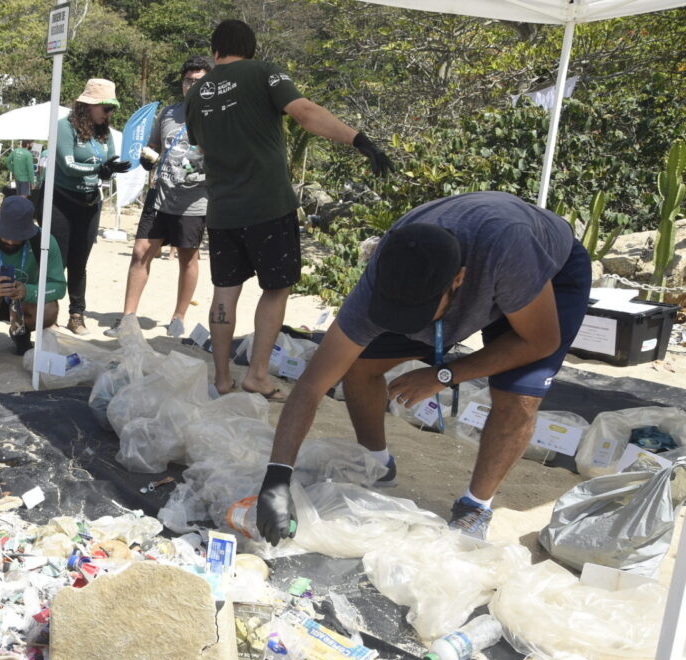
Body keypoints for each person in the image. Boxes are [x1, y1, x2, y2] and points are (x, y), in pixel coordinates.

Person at [253, 191, 591, 544]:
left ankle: (475, 506)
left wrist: (443, 374)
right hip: (461, 280)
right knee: (358, 363)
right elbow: (311, 384)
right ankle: (377, 462)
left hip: (545, 275)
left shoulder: (509, 250)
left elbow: (540, 341)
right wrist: (276, 478)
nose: (406, 323)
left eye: (414, 314)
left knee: (518, 396)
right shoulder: (386, 272)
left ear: (458, 280)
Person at [185, 19, 392, 401]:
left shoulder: (196, 94)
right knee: (276, 288)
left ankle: (222, 379)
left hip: (222, 211)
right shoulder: (264, 72)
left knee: (224, 290)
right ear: (251, 48)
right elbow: (304, 113)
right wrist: (359, 139)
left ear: (216, 52)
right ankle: (258, 376)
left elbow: (200, 147)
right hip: (268, 204)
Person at [105, 56, 213, 340]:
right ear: (182, 83)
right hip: (160, 194)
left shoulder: (218, 115)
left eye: (199, 81)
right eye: (189, 80)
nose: (192, 85)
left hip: (194, 200)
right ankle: (128, 318)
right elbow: (154, 146)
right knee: (141, 251)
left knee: (188, 258)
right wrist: (147, 157)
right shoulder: (168, 113)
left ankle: (178, 317)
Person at [47, 78, 131, 335]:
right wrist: (99, 168)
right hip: (60, 202)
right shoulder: (64, 127)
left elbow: (109, 164)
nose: (109, 114)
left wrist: (112, 169)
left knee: (79, 262)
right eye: (105, 108)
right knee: (55, 260)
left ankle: (77, 314)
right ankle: (46, 313)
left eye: (111, 109)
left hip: (90, 204)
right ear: (87, 106)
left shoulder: (103, 132)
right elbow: (67, 165)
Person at [0, 196, 65, 364]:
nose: (10, 240)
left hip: (23, 303)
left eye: (17, 236)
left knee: (50, 309)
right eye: (6, 234)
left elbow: (59, 287)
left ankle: (21, 334)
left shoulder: (44, 242)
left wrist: (28, 291)